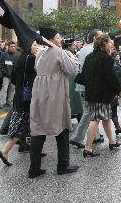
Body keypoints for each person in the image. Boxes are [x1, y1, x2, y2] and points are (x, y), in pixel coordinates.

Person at [28, 27, 79, 179]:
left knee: (38, 129)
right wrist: (72, 58)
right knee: (61, 127)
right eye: (58, 37)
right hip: (55, 93)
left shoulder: (39, 53)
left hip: (39, 94)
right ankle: (63, 165)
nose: (60, 39)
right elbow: (72, 70)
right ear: (50, 39)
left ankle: (34, 168)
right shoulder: (59, 52)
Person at [0, 42, 39, 166]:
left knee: (21, 123)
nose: (37, 47)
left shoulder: (18, 57)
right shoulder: (31, 59)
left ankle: (16, 148)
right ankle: (5, 150)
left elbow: (14, 78)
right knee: (23, 125)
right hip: (28, 97)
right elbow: (33, 80)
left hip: (19, 95)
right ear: (28, 46)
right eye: (34, 45)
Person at [80, 34, 121, 157]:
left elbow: (83, 76)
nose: (111, 45)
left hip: (91, 93)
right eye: (109, 42)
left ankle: (112, 142)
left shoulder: (89, 57)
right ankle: (88, 148)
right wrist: (117, 89)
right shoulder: (106, 58)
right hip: (102, 94)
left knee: (105, 117)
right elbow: (111, 77)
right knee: (95, 119)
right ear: (104, 44)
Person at [69, 29, 103, 149]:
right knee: (89, 112)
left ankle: (96, 135)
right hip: (91, 86)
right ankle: (77, 137)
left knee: (91, 111)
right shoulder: (92, 50)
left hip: (84, 85)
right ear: (94, 38)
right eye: (100, 36)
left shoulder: (83, 50)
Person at [111, 52, 121, 134]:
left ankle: (118, 128)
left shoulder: (116, 63)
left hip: (114, 88)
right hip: (110, 91)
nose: (118, 57)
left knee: (113, 110)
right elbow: (114, 75)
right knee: (102, 115)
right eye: (116, 56)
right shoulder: (112, 63)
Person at [0, 41, 17, 109]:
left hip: (14, 76)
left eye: (14, 46)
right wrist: (5, 72)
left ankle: (10, 102)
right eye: (11, 46)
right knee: (4, 89)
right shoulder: (4, 55)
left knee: (12, 89)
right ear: (8, 47)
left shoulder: (16, 55)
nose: (13, 48)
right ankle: (2, 102)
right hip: (6, 75)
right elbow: (0, 65)